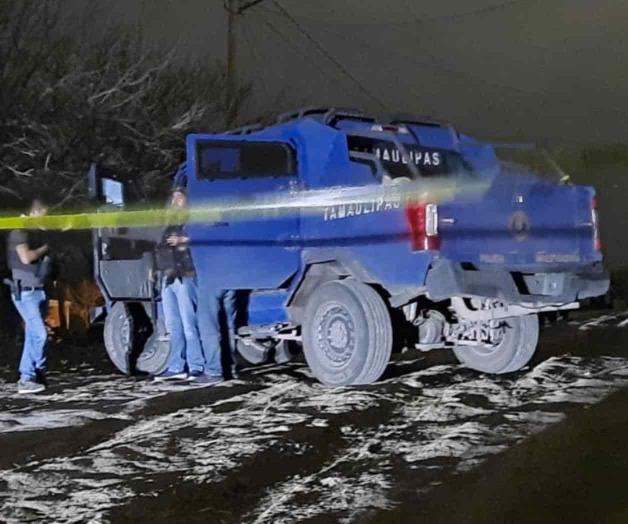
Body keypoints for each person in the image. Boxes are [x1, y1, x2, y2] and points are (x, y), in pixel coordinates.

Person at [153, 187, 205, 381]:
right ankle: (176, 366)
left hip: (185, 276)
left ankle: (196, 365)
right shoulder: (168, 223)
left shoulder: (192, 220)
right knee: (173, 325)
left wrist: (184, 239)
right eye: (173, 198)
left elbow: (205, 236)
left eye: (180, 198)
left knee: (188, 323)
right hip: (168, 278)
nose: (176, 201)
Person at [6, 197, 51, 394]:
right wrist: (45, 249)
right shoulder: (19, 233)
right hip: (25, 293)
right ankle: (29, 375)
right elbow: (26, 258)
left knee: (33, 335)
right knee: (40, 335)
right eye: (44, 215)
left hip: (37, 290)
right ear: (34, 212)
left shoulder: (33, 234)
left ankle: (31, 376)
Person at [197, 287, 238, 383]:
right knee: (228, 327)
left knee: (209, 328)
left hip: (210, 282)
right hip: (231, 280)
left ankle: (213, 372)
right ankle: (229, 368)